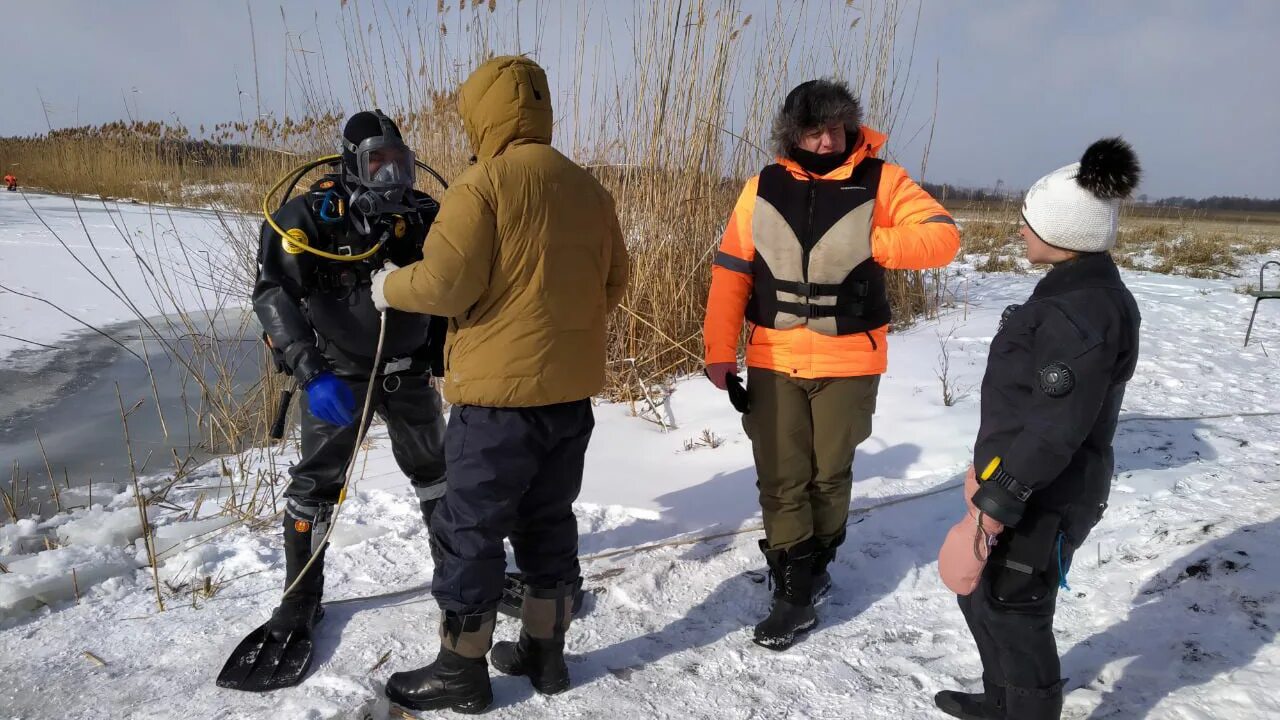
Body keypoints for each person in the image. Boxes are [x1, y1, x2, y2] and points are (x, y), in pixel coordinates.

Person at [372, 56, 629, 713]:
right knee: (548, 521)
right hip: (569, 402)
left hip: (496, 407)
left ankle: (461, 670)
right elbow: (616, 284)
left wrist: (388, 287)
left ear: (483, 115)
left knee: (472, 531)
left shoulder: (481, 185)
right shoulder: (589, 189)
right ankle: (546, 655)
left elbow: (445, 284)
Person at [702, 78, 960, 650]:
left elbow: (943, 238)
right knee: (781, 474)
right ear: (793, 134)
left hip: (849, 358)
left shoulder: (882, 180)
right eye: (814, 131)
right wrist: (719, 352)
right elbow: (730, 273)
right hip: (772, 355)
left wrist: (872, 239)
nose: (827, 141)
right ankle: (793, 592)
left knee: (827, 473)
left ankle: (815, 564)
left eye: (836, 128)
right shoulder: (761, 188)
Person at [934, 137, 1142, 720]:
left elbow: (1058, 425)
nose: (1020, 231)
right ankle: (1002, 702)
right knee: (983, 596)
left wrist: (1002, 497)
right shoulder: (1071, 290)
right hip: (1015, 476)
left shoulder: (1080, 311)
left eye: (1029, 222)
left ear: (1065, 233)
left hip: (1044, 490)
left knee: (1014, 608)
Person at [251, 110, 448, 655]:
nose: (391, 175)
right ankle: (299, 597)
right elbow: (273, 295)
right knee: (316, 485)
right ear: (351, 162)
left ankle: (458, 573)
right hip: (336, 376)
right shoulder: (309, 219)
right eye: (377, 161)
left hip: (407, 373)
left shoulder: (427, 213)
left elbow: (461, 278)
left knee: (437, 473)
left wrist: (446, 353)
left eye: (399, 162)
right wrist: (310, 373)